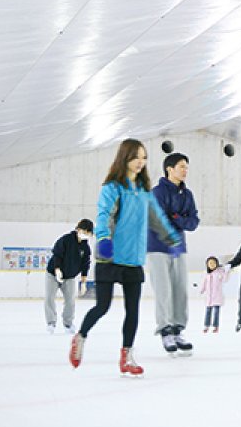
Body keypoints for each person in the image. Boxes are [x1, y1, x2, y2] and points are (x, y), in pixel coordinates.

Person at [69, 139, 182, 377]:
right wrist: (103, 239)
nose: (141, 162)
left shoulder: (144, 192)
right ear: (125, 158)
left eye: (144, 157)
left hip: (133, 259)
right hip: (109, 257)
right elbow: (104, 214)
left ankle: (127, 357)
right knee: (103, 306)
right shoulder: (112, 187)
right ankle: (80, 337)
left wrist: (170, 237)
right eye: (136, 157)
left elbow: (157, 218)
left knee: (133, 311)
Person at [146, 152, 200, 356]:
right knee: (164, 290)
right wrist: (180, 219)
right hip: (158, 246)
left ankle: (178, 330)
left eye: (186, 166)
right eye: (181, 166)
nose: (185, 170)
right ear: (169, 169)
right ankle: (165, 331)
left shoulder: (187, 195)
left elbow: (194, 222)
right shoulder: (158, 193)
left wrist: (176, 217)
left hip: (179, 247)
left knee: (180, 290)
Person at [45, 219, 93, 334]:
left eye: (88, 233)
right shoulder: (66, 239)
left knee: (70, 300)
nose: (85, 234)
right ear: (78, 229)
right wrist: (57, 270)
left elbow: (85, 264)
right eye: (83, 231)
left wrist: (84, 281)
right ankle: (51, 322)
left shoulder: (85, 248)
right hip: (53, 273)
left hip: (70, 276)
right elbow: (57, 254)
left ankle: (68, 323)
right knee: (49, 297)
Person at [200, 256, 228, 333]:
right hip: (209, 296)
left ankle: (216, 326)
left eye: (213, 263)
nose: (212, 264)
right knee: (208, 311)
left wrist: (226, 271)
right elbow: (204, 282)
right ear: (207, 264)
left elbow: (225, 280)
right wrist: (201, 290)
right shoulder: (206, 273)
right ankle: (206, 326)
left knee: (216, 312)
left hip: (217, 296)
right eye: (210, 263)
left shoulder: (220, 272)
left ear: (217, 264)